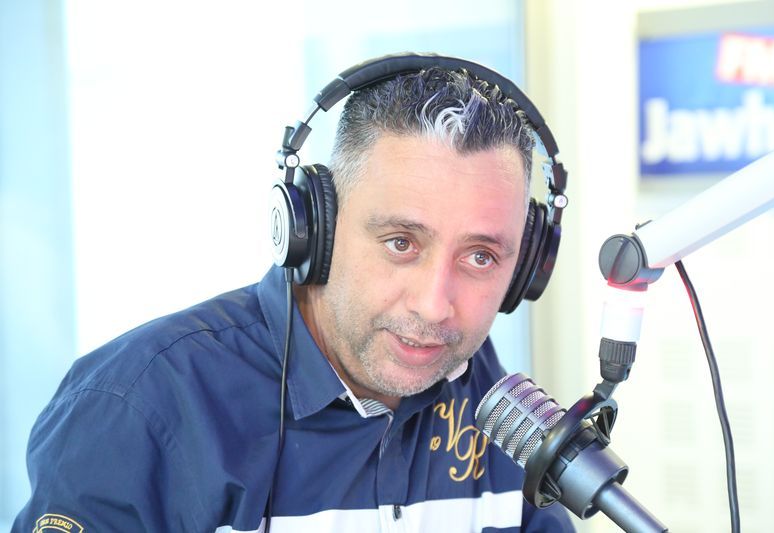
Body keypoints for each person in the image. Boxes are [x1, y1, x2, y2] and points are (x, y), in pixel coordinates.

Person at [14, 54, 575, 532]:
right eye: (401, 243)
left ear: (526, 267)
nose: (433, 305)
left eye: (480, 257)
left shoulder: (495, 405)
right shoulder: (137, 406)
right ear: (314, 230)